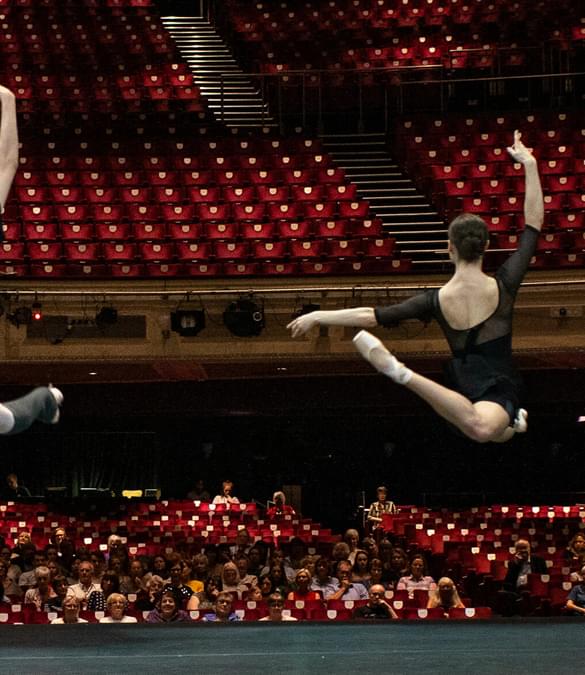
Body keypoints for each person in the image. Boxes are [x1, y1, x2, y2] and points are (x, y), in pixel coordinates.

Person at [288, 131, 543, 444]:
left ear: (449, 248)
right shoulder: (504, 284)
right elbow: (532, 226)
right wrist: (529, 164)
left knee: (486, 431)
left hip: (479, 386)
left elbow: (372, 315)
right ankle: (511, 422)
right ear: (486, 246)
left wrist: (319, 316)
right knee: (489, 431)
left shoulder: (434, 300)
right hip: (477, 388)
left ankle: (401, 373)